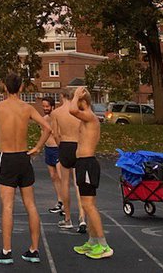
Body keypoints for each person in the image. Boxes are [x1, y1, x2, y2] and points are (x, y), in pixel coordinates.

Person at [0, 73, 53, 265]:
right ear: (21, 88)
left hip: (7, 158)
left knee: (7, 206)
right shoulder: (27, 108)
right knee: (31, 205)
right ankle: (34, 250)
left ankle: (7, 251)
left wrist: (7, 140)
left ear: (4, 88)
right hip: (24, 158)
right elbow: (47, 129)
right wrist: (37, 148)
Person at [68, 86, 111, 259]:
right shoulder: (85, 119)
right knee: (88, 204)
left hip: (87, 164)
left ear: (82, 101)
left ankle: (103, 245)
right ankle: (93, 241)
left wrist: (77, 94)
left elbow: (71, 109)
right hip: (83, 163)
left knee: (88, 206)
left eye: (77, 100)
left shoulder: (89, 116)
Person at [51, 85, 84, 232]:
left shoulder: (57, 112)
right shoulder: (79, 112)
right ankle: (82, 218)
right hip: (78, 145)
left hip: (65, 145)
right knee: (79, 184)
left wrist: (60, 146)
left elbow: (55, 134)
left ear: (62, 97)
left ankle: (68, 218)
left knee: (65, 182)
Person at [39, 97, 69, 219]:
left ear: (52, 106)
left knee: (62, 177)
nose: (45, 108)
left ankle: (66, 205)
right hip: (48, 149)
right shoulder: (44, 119)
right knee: (53, 176)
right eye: (44, 106)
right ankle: (60, 201)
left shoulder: (57, 117)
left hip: (57, 149)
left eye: (47, 106)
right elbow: (43, 135)